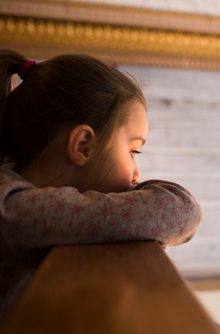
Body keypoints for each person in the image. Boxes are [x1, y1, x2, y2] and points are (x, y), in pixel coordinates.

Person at [0, 50, 202, 321]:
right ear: (83, 145)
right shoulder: (10, 211)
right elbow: (179, 208)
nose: (136, 174)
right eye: (133, 151)